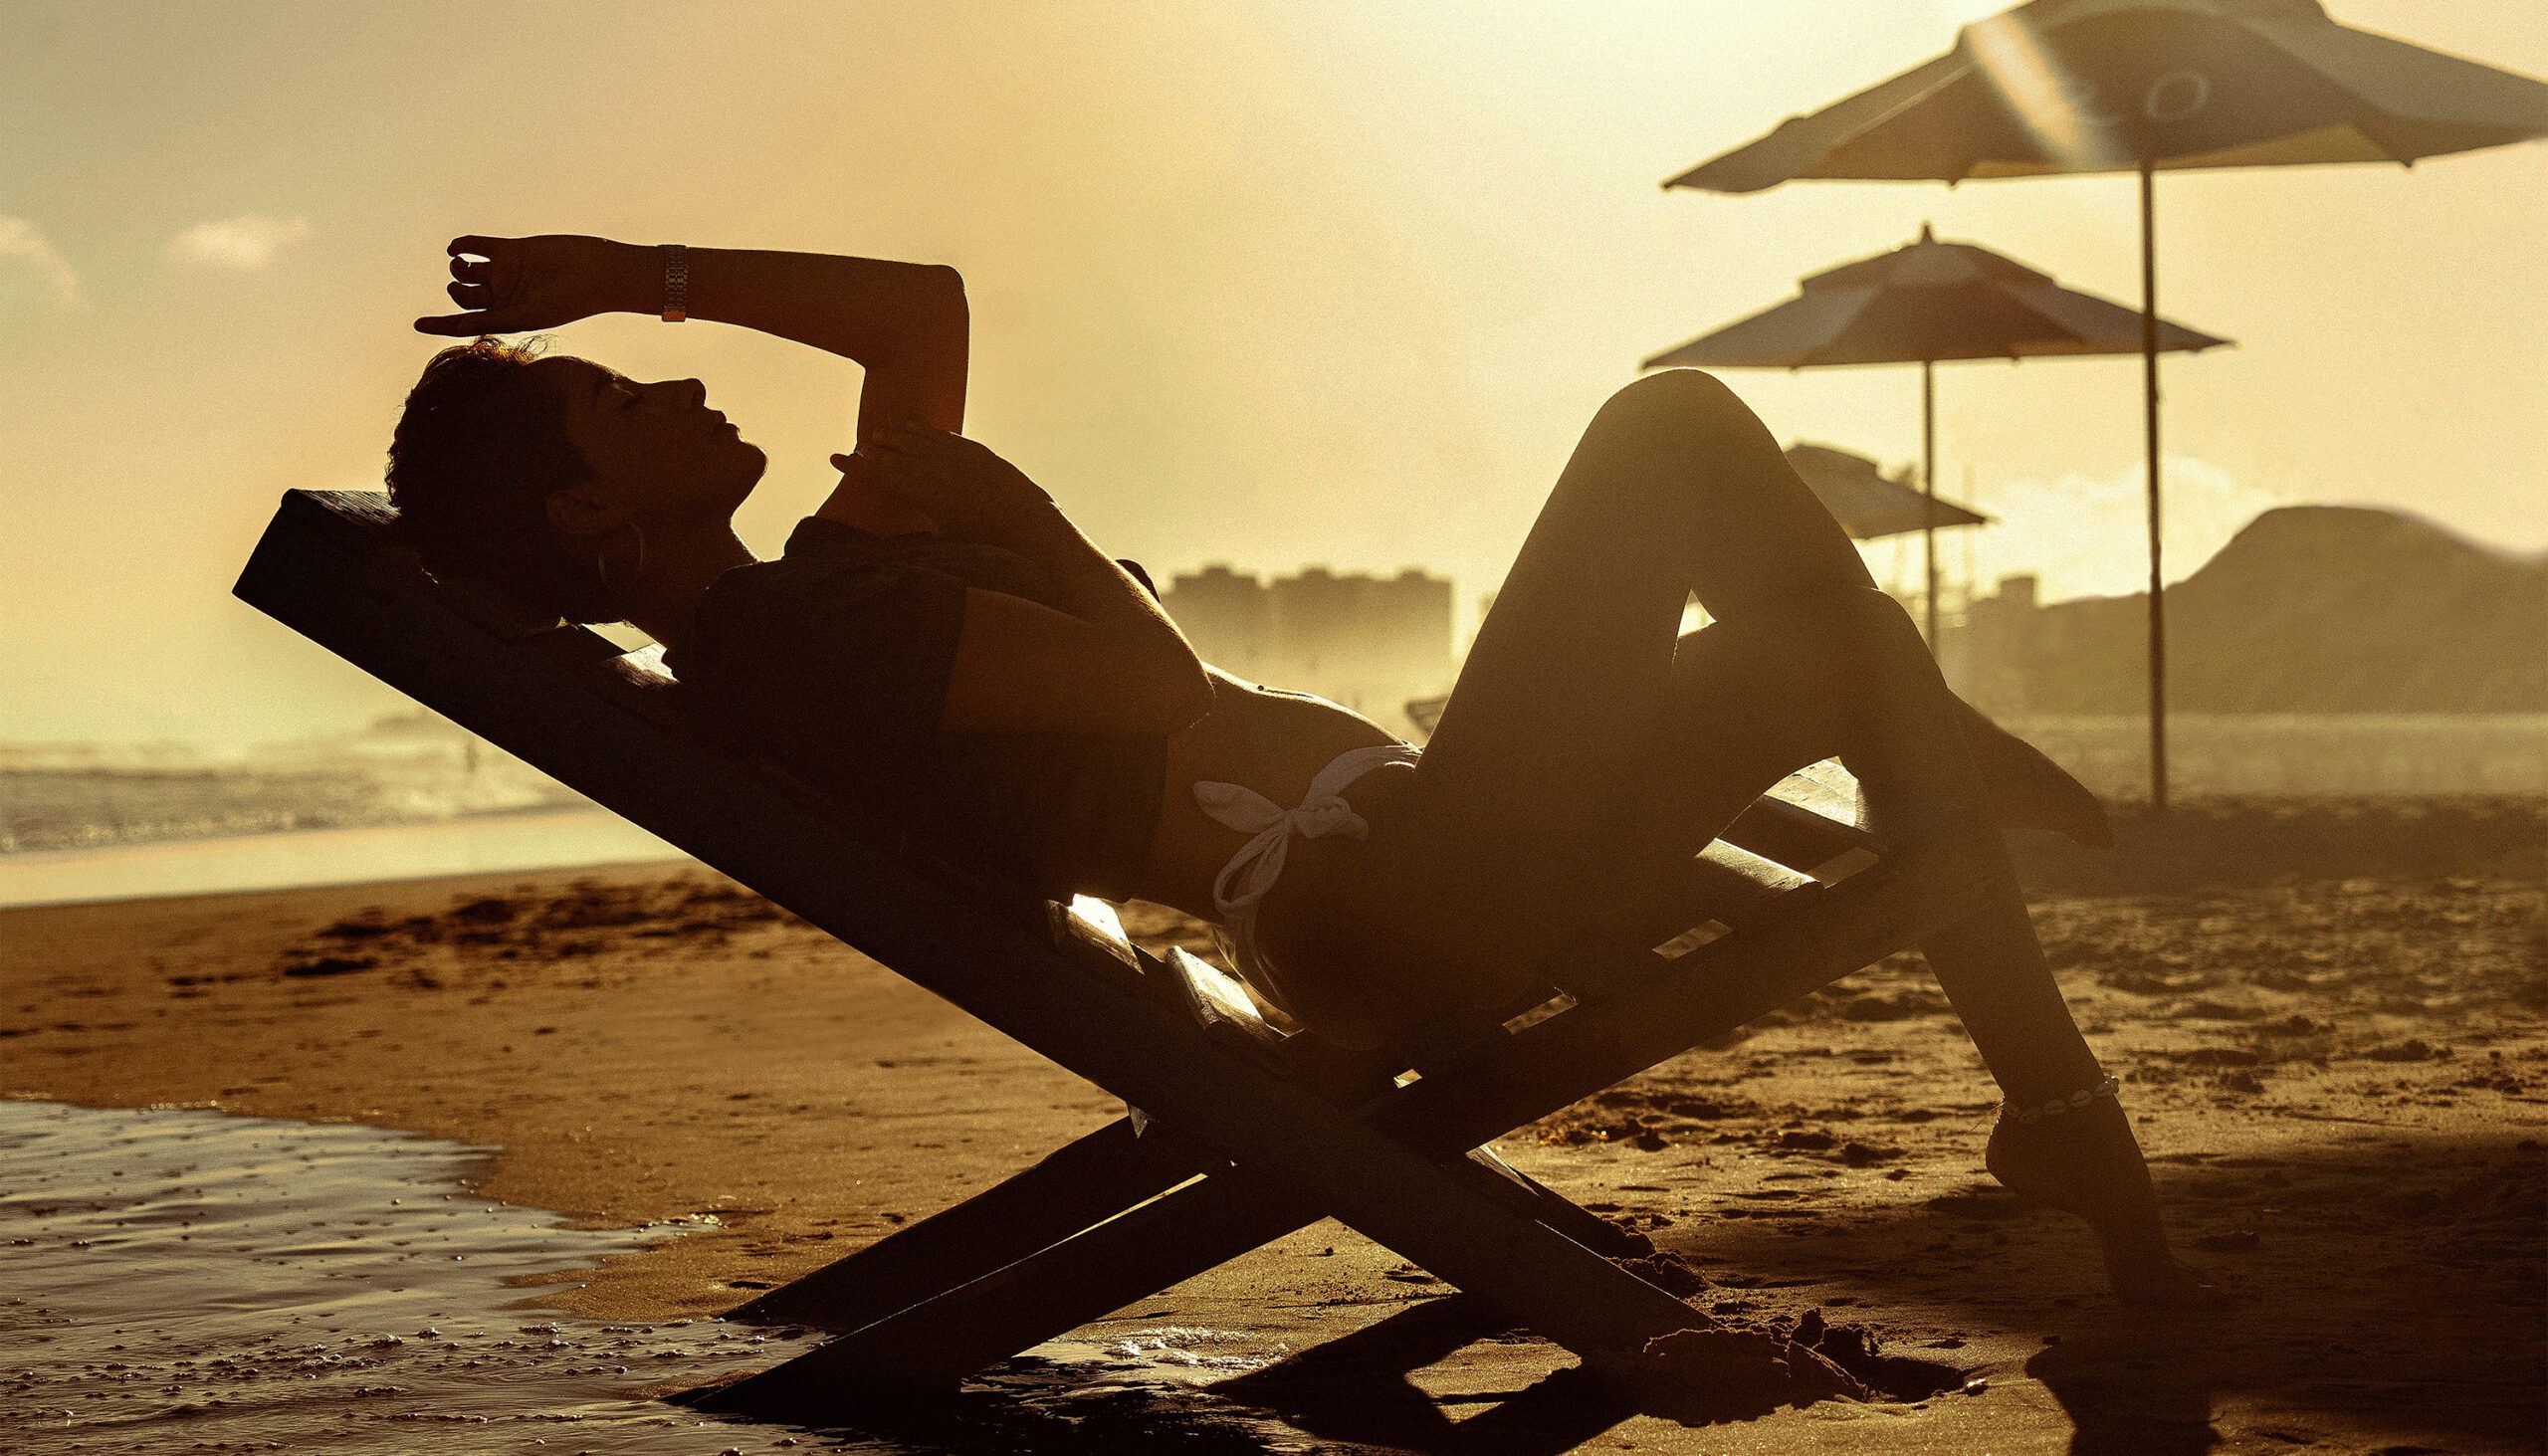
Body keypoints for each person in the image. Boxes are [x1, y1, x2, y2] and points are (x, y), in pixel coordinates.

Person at [390, 234, 2212, 1305]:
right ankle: (1949, 769)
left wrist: (641, 277)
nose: (672, 386)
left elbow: (914, 305)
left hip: (1424, 865)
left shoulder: (834, 578)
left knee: (1821, 646)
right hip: (1389, 906)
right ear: (590, 514)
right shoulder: (791, 644)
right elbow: (1153, 682)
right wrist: (1020, 504)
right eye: (622, 399)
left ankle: (2056, 1121)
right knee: (1672, 434)